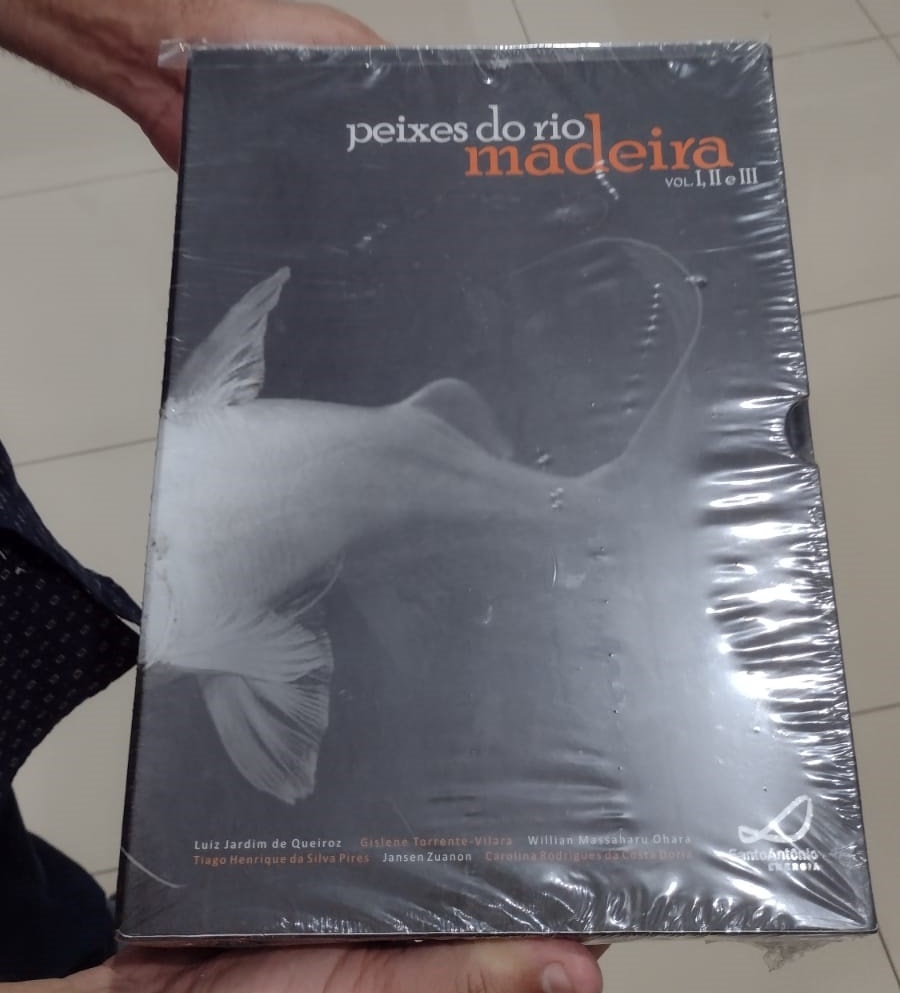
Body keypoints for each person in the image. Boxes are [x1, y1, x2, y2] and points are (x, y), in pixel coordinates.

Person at [0, 2, 606, 990]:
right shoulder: (211, 493)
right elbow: (274, 733)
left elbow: (270, 711)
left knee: (24, 897)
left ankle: (57, 940)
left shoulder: (209, 620)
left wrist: (149, 44)